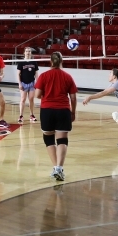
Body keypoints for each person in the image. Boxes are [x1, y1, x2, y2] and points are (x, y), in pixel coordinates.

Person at [34, 52, 77, 182]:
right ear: (61, 61)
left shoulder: (44, 76)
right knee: (62, 140)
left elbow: (37, 95)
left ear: (50, 62)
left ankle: (55, 167)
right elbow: (73, 98)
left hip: (47, 110)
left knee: (48, 139)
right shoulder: (67, 76)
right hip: (63, 110)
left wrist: (47, 97)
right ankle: (59, 168)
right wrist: (73, 112)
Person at [16, 47, 39, 124]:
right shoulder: (21, 62)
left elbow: (36, 73)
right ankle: (21, 116)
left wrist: (37, 82)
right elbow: (18, 74)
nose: (28, 52)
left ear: (31, 53)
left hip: (32, 83)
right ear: (24, 52)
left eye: (29, 51)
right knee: (23, 99)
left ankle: (31, 115)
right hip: (23, 83)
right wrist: (19, 83)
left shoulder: (34, 62)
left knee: (31, 99)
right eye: (26, 51)